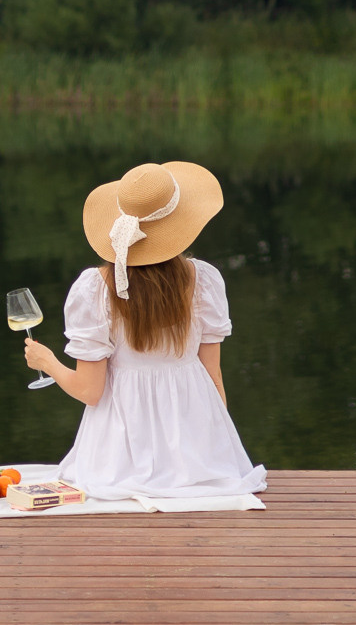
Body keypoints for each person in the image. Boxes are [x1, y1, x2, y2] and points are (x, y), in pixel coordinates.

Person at [24, 160, 266, 503]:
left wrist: (46, 361)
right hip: (194, 447)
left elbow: (90, 391)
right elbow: (213, 376)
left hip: (120, 453)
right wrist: (217, 448)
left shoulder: (95, 288)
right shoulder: (204, 280)